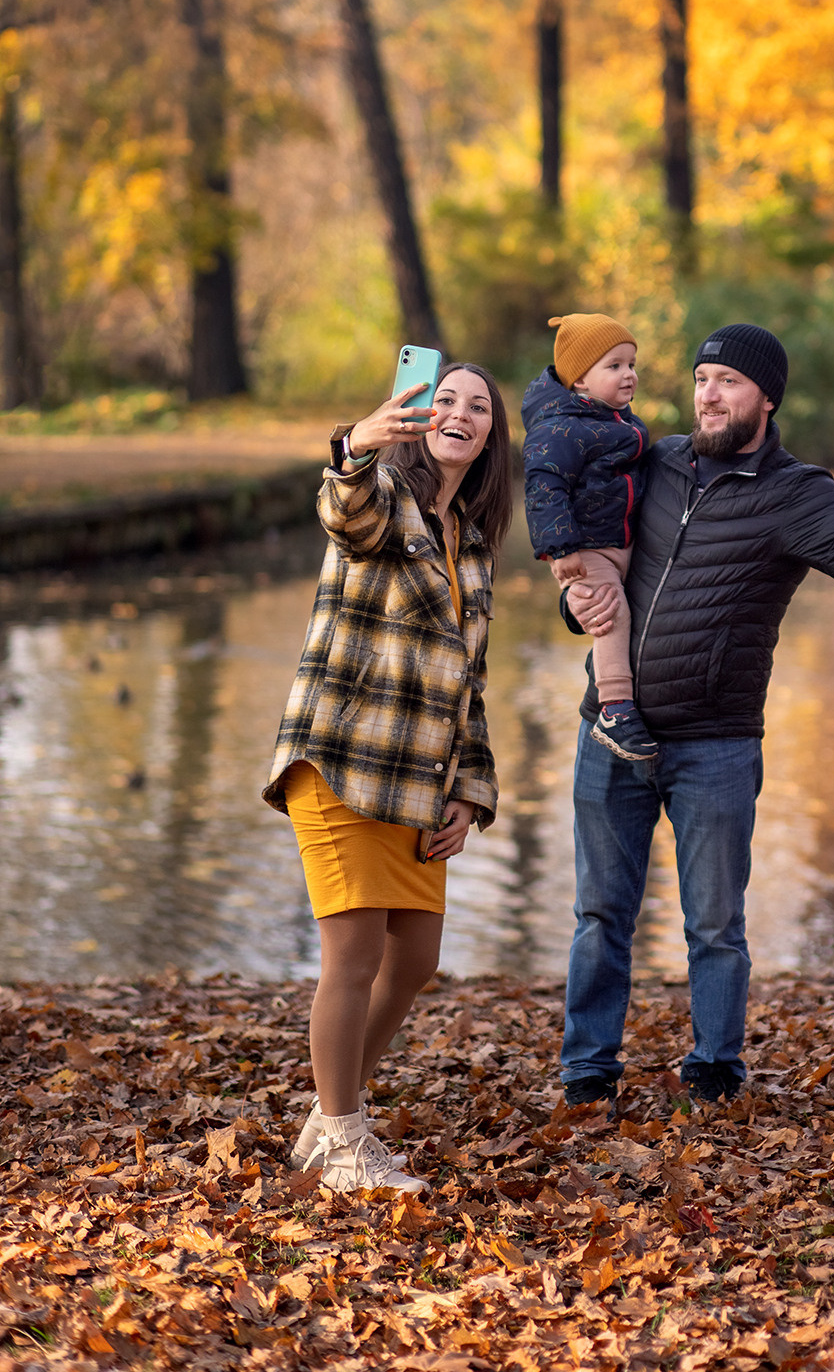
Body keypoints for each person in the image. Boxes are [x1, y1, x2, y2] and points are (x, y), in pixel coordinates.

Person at [559, 322, 834, 1107]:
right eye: (702, 379)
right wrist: (576, 599)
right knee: (600, 916)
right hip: (612, 729)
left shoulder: (797, 493)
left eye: (728, 381)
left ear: (767, 398)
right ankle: (588, 1073)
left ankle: (714, 1070)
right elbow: (597, 558)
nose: (709, 394)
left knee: (715, 926)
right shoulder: (653, 460)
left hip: (716, 746)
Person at [263, 361, 512, 1190]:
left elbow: (466, 683)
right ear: (419, 418)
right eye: (445, 399)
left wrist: (472, 790)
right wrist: (349, 449)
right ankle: (340, 1137)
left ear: (489, 437)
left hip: (415, 781)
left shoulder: (472, 546)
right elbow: (346, 512)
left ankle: (330, 1114)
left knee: (417, 960)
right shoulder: (383, 501)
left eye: (478, 407)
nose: (460, 413)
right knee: (356, 956)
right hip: (341, 758)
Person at [522, 312, 653, 761]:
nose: (629, 375)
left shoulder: (614, 420)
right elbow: (544, 485)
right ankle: (615, 707)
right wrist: (559, 549)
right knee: (609, 615)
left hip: (621, 540)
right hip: (584, 548)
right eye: (614, 366)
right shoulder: (560, 426)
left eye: (631, 364)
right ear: (579, 380)